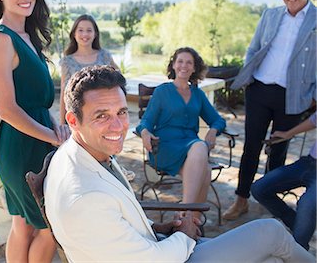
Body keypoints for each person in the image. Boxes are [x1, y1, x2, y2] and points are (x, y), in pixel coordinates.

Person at [44, 65, 314, 263]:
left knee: (273, 253)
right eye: (101, 116)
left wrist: (158, 228)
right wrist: (183, 234)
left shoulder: (80, 154)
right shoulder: (85, 197)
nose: (118, 126)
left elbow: (113, 225)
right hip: (167, 257)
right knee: (272, 232)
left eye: (122, 112)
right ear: (72, 120)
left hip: (156, 245)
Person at [0, 0, 69, 262]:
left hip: (39, 138)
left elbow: (38, 100)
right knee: (48, 226)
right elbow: (7, 109)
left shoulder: (28, 36)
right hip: (19, 146)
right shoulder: (2, 40)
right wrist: (51, 135)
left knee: (24, 225)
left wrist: (57, 128)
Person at [225, 0, 316, 220]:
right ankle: (241, 199)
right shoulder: (270, 15)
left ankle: (268, 203)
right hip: (260, 90)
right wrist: (249, 74)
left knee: (279, 149)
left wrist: (313, 97)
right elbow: (253, 49)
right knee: (251, 147)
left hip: (293, 97)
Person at [136, 47, 226, 215]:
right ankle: (186, 212)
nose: (184, 66)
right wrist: (145, 133)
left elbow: (218, 120)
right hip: (164, 148)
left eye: (189, 62)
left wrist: (213, 130)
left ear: (194, 68)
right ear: (174, 65)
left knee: (205, 170)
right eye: (180, 61)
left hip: (190, 151)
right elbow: (146, 121)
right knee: (200, 148)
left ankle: (191, 222)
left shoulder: (197, 94)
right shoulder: (162, 91)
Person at [252, 112, 316, 250]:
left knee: (307, 204)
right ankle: (297, 225)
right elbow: (314, 120)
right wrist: (288, 134)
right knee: (259, 188)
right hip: (309, 163)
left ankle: (298, 250)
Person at [59, 14, 119, 125]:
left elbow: (119, 81)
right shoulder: (67, 62)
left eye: (89, 30)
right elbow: (64, 94)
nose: (85, 34)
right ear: (74, 34)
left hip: (103, 117)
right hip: (78, 118)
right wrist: (63, 124)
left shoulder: (104, 56)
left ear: (95, 34)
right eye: (80, 30)